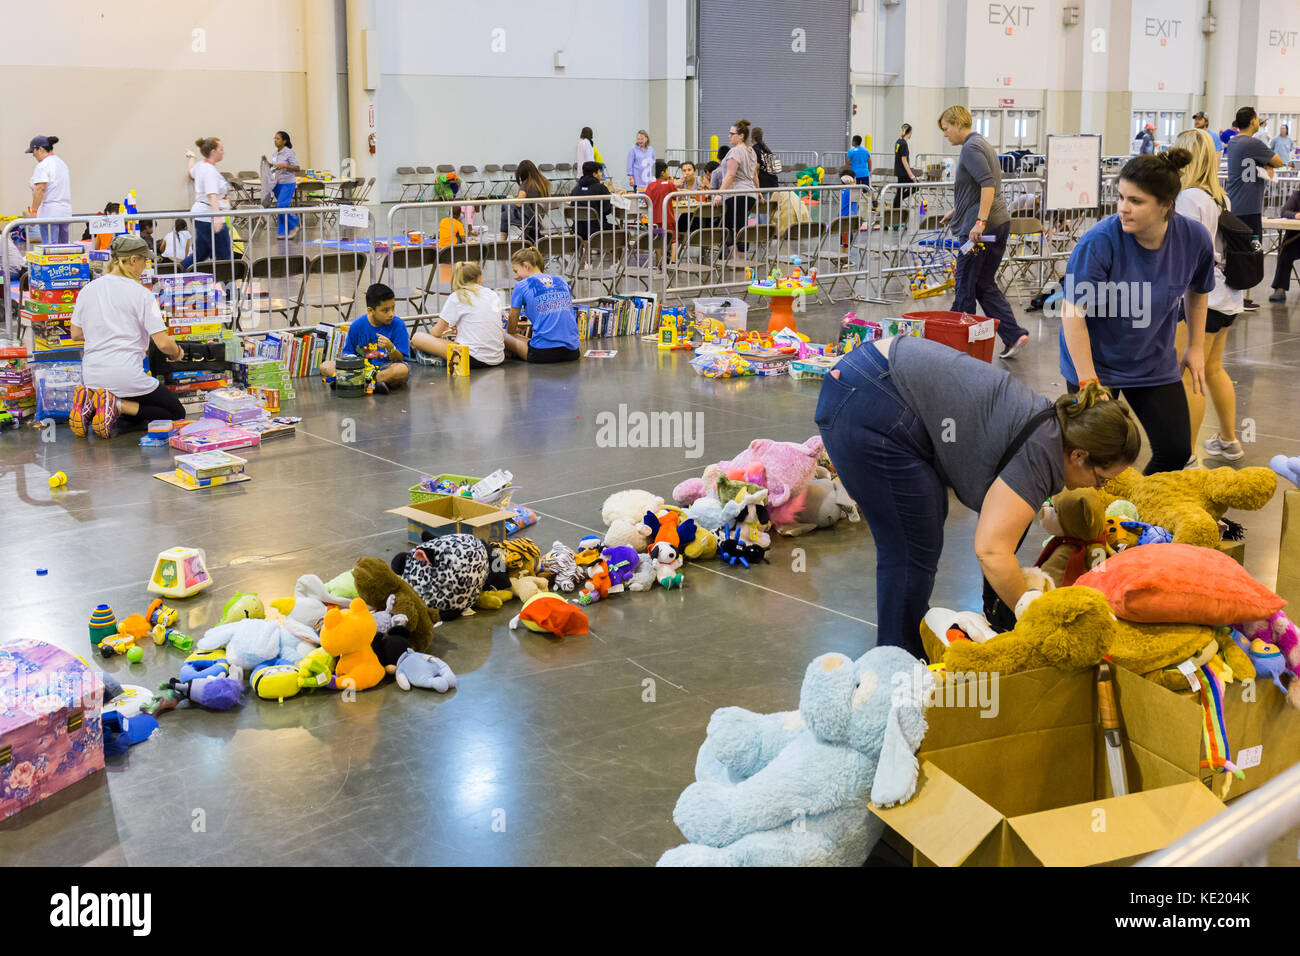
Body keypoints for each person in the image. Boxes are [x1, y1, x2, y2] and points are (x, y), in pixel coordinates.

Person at [817, 333, 1141, 656]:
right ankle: (896, 665)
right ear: (1080, 455)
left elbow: (1005, 526)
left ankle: (907, 649)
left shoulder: (1051, 430)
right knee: (910, 540)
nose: (1098, 488)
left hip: (871, 381)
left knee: (925, 516)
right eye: (1100, 478)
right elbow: (991, 550)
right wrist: (1033, 616)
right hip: (868, 395)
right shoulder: (1041, 454)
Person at [1060, 149, 1213, 476]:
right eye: (1120, 197)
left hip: (1152, 361)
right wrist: (1089, 381)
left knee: (1175, 450)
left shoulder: (1194, 239)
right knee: (1094, 459)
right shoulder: (1099, 242)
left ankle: (1135, 511)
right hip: (1095, 363)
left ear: (1166, 205)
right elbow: (1073, 314)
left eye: (1136, 201)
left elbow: (1198, 291)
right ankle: (1085, 518)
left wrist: (1196, 346)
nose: (1123, 208)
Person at [1171, 128, 1245, 466]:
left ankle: (1186, 453)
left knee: (1188, 374)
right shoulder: (1220, 197)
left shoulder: (1188, 199)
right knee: (1213, 368)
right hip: (1227, 296)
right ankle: (1228, 440)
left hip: (1202, 298)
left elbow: (1183, 254)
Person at [68, 234, 186, 439]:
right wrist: (177, 352)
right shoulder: (142, 295)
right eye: (144, 261)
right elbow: (163, 344)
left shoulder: (87, 290)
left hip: (92, 376)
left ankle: (94, 404)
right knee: (176, 413)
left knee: (137, 414)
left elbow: (76, 334)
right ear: (133, 260)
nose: (145, 267)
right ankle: (117, 405)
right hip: (126, 376)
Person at [937, 105, 1030, 360]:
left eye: (946, 129)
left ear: (957, 123)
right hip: (998, 223)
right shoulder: (982, 144)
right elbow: (977, 187)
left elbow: (987, 185)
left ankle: (959, 348)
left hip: (981, 230)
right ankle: (1013, 334)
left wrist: (979, 221)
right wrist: (957, 211)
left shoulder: (970, 148)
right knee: (983, 284)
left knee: (965, 285)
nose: (946, 135)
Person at [1225, 106, 1284, 311]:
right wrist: (1268, 165)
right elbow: (1279, 161)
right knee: (1252, 250)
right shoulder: (1253, 143)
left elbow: (1250, 164)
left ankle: (1240, 294)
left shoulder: (1234, 142)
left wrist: (1262, 164)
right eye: (1257, 118)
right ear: (1252, 121)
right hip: (1248, 210)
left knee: (1240, 251)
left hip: (1237, 206)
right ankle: (1239, 295)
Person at [319, 283, 410, 393]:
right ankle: (371, 384)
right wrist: (353, 363)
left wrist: (390, 347)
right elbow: (347, 354)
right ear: (370, 310)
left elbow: (400, 359)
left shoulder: (398, 324)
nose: (391, 314)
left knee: (401, 370)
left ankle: (354, 382)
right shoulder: (357, 326)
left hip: (384, 368)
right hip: (360, 368)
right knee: (325, 366)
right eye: (385, 310)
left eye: (393, 308)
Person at [412, 263, 505, 369]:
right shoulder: (492, 293)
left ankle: (440, 358)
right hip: (497, 358)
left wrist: (435, 335)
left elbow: (436, 333)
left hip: (469, 358)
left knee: (417, 337)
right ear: (480, 277)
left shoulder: (457, 296)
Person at [504, 247, 579, 363]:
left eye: (516, 271)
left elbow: (511, 329)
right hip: (573, 352)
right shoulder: (561, 281)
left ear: (526, 265)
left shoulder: (521, 286)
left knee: (503, 335)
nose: (516, 276)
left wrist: (516, 330)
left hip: (543, 354)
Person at [714, 120, 758, 253]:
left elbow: (730, 175)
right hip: (750, 194)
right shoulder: (751, 151)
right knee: (738, 225)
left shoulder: (736, 151)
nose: (729, 136)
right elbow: (754, 175)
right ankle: (738, 258)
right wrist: (758, 191)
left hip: (737, 193)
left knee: (735, 227)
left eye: (732, 133)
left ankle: (739, 259)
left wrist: (719, 193)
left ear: (741, 136)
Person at [190, 137, 233, 264]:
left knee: (200, 254)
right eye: (221, 149)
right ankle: (227, 284)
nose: (223, 151)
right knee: (224, 256)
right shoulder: (209, 171)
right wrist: (217, 218)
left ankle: (176, 273)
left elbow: (190, 172)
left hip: (201, 216)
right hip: (209, 216)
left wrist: (191, 157)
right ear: (213, 152)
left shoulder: (201, 165)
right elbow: (212, 195)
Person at [26, 135, 72, 245]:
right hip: (65, 212)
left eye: (34, 151)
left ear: (40, 149)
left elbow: (40, 188)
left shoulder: (43, 165)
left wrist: (34, 211)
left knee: (51, 248)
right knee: (63, 247)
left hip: (50, 213)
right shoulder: (62, 163)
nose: (33, 155)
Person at [499, 160, 550, 243]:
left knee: (505, 210)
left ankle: (502, 241)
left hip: (529, 219)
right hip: (539, 218)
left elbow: (518, 204)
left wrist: (511, 200)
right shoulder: (543, 182)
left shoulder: (527, 184)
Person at [263, 130, 302, 239]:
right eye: (274, 139)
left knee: (281, 206)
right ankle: (283, 232)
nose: (275, 141)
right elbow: (276, 166)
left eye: (278, 139)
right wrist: (268, 164)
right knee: (280, 207)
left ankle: (294, 222)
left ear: (284, 141)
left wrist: (285, 165)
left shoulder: (289, 152)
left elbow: (297, 168)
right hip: (277, 183)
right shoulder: (275, 154)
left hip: (288, 183)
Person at [1269, 187, 1300, 303]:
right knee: (1286, 251)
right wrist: (1296, 215)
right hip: (1295, 242)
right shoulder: (1297, 195)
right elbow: (1284, 212)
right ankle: (1280, 288)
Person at [570, 161, 612, 239]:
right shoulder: (601, 188)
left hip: (578, 231)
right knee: (622, 232)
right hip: (598, 230)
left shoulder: (576, 188)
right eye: (600, 171)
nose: (601, 174)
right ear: (594, 174)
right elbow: (607, 210)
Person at [644, 158, 678, 247]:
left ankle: (659, 260)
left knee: (658, 242)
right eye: (667, 171)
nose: (668, 173)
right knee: (673, 240)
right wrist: (673, 183)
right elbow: (676, 197)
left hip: (654, 221)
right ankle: (673, 261)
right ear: (663, 173)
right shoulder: (669, 184)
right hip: (668, 219)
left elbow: (646, 201)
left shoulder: (650, 185)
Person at [892, 124, 918, 210]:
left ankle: (896, 207)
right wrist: (911, 175)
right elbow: (904, 160)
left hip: (899, 171)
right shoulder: (903, 144)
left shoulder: (898, 141)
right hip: (903, 172)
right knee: (916, 185)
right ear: (910, 132)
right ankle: (896, 204)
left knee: (900, 192)